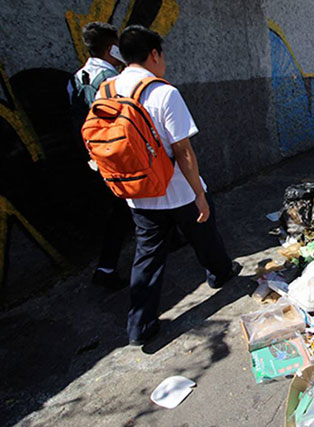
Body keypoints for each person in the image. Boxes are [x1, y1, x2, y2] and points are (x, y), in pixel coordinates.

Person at [112, 25, 241, 346]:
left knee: (148, 256)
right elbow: (183, 150)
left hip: (137, 193)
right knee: (204, 229)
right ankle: (220, 273)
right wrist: (199, 192)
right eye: (162, 54)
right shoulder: (162, 92)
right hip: (176, 190)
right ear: (154, 54)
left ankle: (139, 326)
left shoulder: (108, 89)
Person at [68, 22, 131, 290]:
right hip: (117, 156)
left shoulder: (76, 79)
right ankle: (106, 269)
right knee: (125, 210)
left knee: (124, 210)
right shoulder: (112, 81)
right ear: (111, 48)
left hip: (94, 157)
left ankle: (172, 237)